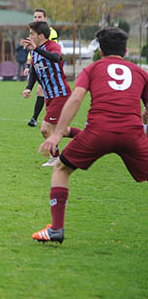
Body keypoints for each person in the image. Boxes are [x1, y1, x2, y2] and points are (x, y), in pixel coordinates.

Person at [32, 27, 148, 243]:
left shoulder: (92, 69)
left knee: (61, 168)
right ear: (124, 51)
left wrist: (57, 135)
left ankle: (56, 229)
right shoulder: (140, 72)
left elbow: (76, 99)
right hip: (132, 134)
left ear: (100, 51)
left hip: (98, 133)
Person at [21, 21, 81, 167]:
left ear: (41, 36)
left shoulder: (52, 46)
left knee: (45, 129)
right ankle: (88, 138)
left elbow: (56, 58)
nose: (30, 36)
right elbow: (35, 70)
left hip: (60, 94)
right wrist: (29, 87)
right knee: (61, 130)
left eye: (32, 34)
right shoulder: (35, 51)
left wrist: (37, 49)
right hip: (50, 96)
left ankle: (56, 158)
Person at [25, 9, 59, 127]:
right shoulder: (33, 34)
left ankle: (37, 118)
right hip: (40, 68)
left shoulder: (51, 33)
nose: (37, 19)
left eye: (39, 17)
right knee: (42, 91)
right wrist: (28, 65)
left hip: (50, 71)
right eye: (35, 17)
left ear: (45, 18)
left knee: (42, 91)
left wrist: (38, 51)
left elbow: (54, 53)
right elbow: (32, 54)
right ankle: (36, 118)